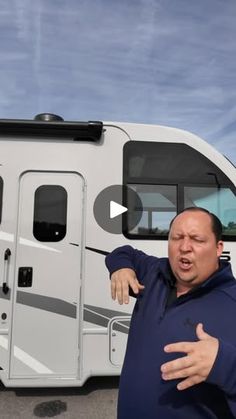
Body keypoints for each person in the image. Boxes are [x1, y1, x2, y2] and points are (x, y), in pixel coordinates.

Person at [105, 207, 236, 419]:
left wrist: (225, 365)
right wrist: (121, 267)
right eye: (177, 238)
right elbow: (123, 252)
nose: (185, 247)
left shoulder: (231, 303)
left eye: (197, 239)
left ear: (218, 247)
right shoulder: (154, 272)